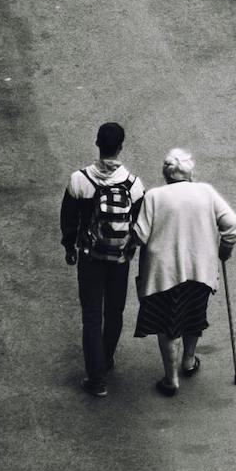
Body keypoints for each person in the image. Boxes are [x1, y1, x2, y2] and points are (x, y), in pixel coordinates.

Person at [131, 147, 236, 396]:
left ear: (166, 173)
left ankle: (171, 380)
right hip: (201, 270)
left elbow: (139, 236)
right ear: (191, 173)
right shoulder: (206, 192)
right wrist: (225, 249)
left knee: (167, 326)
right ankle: (189, 362)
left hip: (165, 274)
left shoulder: (154, 197)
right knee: (193, 316)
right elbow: (232, 226)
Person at [59, 122, 145, 398]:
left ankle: (96, 378)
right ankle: (106, 359)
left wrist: (69, 247)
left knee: (92, 316)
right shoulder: (133, 184)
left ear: (97, 143)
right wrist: (130, 249)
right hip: (119, 258)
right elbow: (140, 223)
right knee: (114, 313)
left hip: (90, 256)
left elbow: (68, 220)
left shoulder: (80, 180)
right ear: (121, 147)